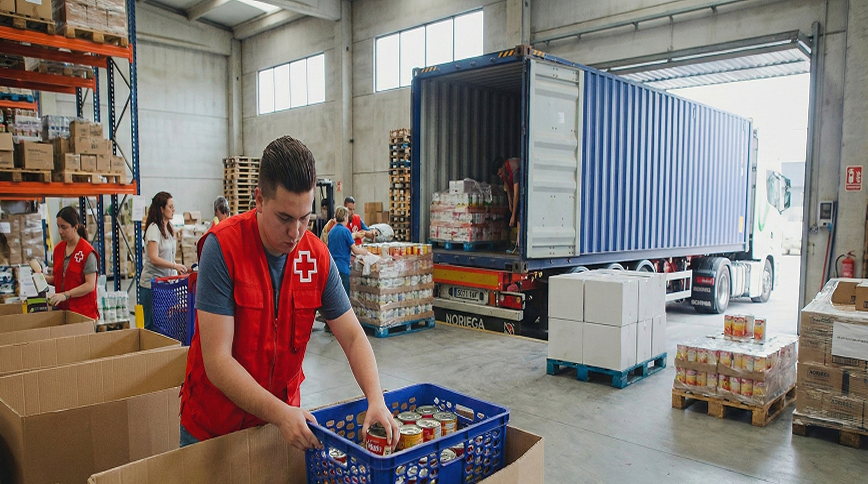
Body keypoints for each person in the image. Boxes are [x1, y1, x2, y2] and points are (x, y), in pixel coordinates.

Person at [181, 135, 398, 452]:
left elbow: (352, 336)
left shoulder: (316, 257)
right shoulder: (224, 248)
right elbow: (217, 362)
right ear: (259, 199)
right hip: (214, 430)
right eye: (284, 218)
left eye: (304, 218)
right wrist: (281, 414)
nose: (295, 232)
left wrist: (375, 398)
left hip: (278, 429)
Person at [39, 207, 99, 320]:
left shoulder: (87, 252)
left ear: (75, 227)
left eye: (64, 227)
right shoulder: (58, 249)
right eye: (58, 226)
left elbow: (90, 285)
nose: (59, 231)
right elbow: (60, 279)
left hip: (82, 314)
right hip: (62, 311)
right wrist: (43, 278)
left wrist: (66, 294)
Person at [140, 192, 187, 330]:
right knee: (153, 327)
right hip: (153, 285)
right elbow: (153, 258)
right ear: (161, 209)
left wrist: (176, 270)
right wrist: (174, 266)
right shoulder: (153, 229)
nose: (173, 210)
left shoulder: (168, 227)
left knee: (168, 325)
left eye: (173, 206)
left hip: (167, 283)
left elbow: (169, 254)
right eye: (170, 207)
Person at [328, 206, 370, 296]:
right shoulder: (345, 231)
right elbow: (355, 250)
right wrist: (365, 251)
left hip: (332, 269)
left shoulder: (331, 231)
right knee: (344, 297)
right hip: (343, 268)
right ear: (344, 217)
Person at [494, 156, 521, 253]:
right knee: (511, 213)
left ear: (503, 166)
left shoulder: (515, 169)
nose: (500, 176)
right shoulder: (504, 172)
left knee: (519, 216)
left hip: (524, 191)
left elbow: (517, 194)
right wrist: (509, 201)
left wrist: (513, 216)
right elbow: (506, 184)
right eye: (499, 175)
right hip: (515, 193)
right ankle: (514, 243)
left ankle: (519, 245)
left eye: (500, 173)